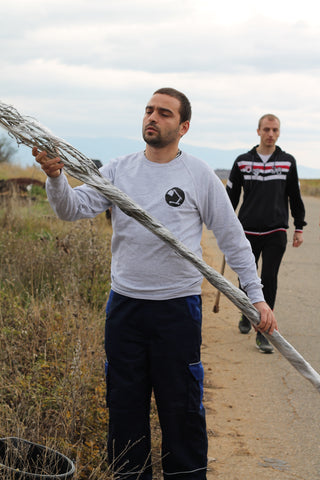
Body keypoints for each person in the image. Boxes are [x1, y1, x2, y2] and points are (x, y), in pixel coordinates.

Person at [33, 88, 277, 480]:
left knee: (181, 409)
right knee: (124, 407)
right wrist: (56, 176)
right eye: (149, 110)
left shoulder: (198, 174)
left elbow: (233, 238)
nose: (152, 117)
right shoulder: (118, 170)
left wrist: (257, 298)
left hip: (176, 310)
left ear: (183, 127)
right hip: (125, 309)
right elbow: (70, 209)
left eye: (164, 113)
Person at [226, 113, 306, 354]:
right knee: (246, 278)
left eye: (275, 130)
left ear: (279, 133)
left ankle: (263, 331)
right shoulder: (242, 162)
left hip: (276, 231)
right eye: (267, 129)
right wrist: (225, 225)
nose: (271, 134)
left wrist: (299, 227)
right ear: (258, 131)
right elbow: (231, 197)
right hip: (246, 230)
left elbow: (295, 196)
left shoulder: (287, 162)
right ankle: (246, 311)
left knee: (269, 279)